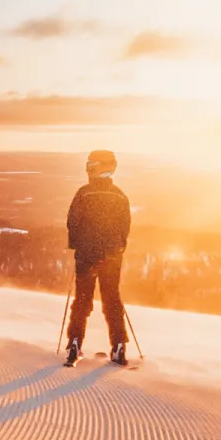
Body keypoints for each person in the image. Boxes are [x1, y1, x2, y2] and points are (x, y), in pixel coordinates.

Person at [63, 150, 132, 367]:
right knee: (112, 300)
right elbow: (125, 228)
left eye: (92, 164)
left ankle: (74, 343)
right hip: (112, 257)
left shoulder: (84, 193)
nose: (89, 167)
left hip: (86, 255)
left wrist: (76, 244)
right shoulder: (120, 195)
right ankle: (119, 346)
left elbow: (72, 222)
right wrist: (119, 247)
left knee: (82, 300)